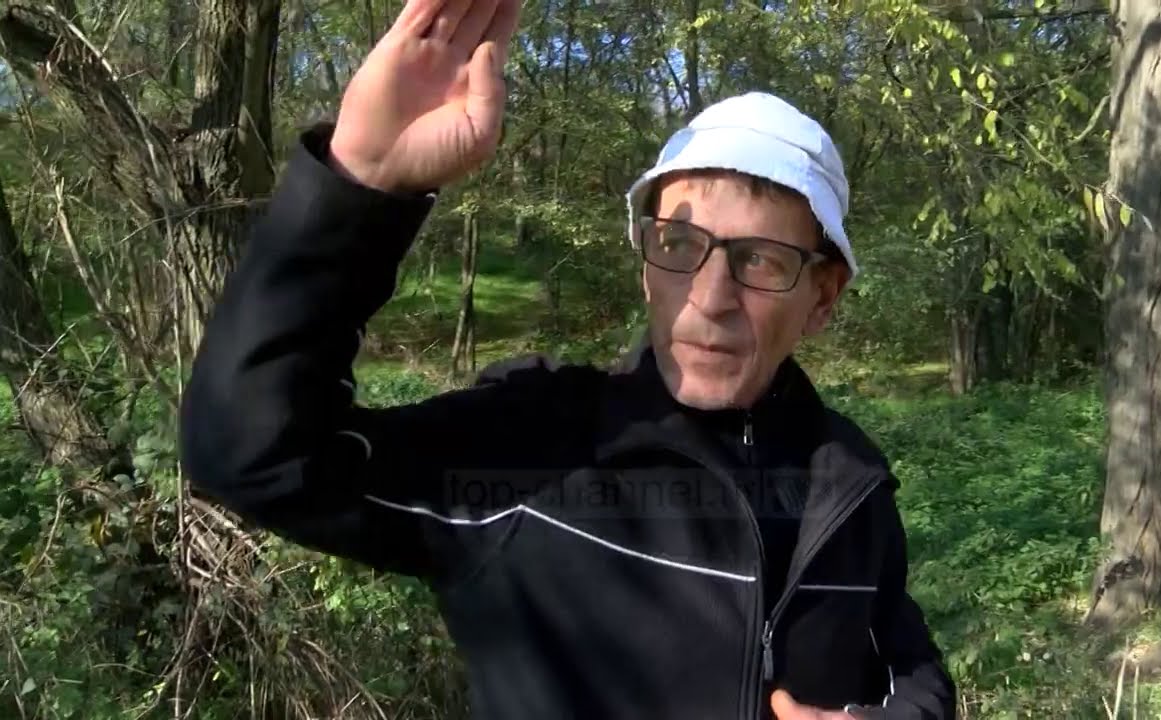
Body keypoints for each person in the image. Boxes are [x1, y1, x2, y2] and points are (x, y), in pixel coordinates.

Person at [178, 0, 956, 718]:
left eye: (759, 260)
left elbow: (910, 666)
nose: (709, 296)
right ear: (646, 261)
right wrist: (359, 187)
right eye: (679, 245)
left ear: (822, 296)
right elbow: (253, 456)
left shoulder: (849, 484)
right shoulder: (534, 446)